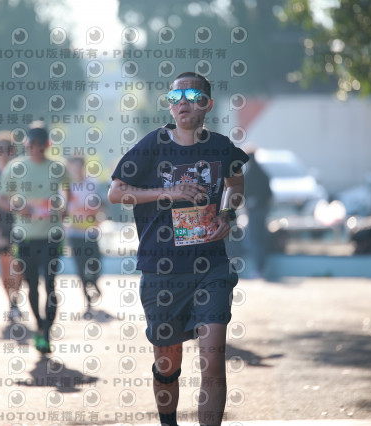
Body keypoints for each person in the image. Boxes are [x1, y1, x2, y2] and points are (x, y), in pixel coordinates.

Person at [108, 72, 249, 426]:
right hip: (162, 270)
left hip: (211, 267)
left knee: (213, 362)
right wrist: (166, 193)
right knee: (168, 365)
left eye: (191, 95)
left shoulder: (221, 147)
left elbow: (236, 182)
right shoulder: (153, 145)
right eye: (175, 97)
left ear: (207, 104)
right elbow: (116, 192)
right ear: (170, 106)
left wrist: (228, 213)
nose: (182, 102)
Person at [0, 122, 70, 354]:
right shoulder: (16, 167)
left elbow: (68, 191)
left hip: (52, 235)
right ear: (26, 144)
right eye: (31, 144)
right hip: (25, 237)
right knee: (33, 285)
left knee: (50, 283)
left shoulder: (58, 167)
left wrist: (63, 207)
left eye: (39, 144)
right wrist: (20, 208)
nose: (34, 149)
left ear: (46, 145)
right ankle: (39, 326)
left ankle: (47, 332)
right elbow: (1, 198)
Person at [0, 131, 24, 321]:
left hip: (20, 222)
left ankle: (15, 300)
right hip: (0, 224)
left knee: (19, 264)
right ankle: (11, 303)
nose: (3, 152)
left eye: (7, 149)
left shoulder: (20, 171)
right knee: (5, 264)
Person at [65, 156, 104, 311]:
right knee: (80, 266)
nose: (76, 170)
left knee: (95, 263)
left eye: (78, 167)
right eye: (73, 167)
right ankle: (87, 299)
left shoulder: (93, 184)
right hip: (74, 233)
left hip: (91, 232)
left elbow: (102, 204)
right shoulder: (66, 187)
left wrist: (98, 214)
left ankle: (93, 282)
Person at [241, 146, 273, 277]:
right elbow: (269, 193)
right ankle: (261, 269)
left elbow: (245, 192)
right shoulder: (262, 172)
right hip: (263, 210)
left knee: (255, 240)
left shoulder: (250, 173)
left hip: (255, 212)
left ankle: (259, 269)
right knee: (261, 239)